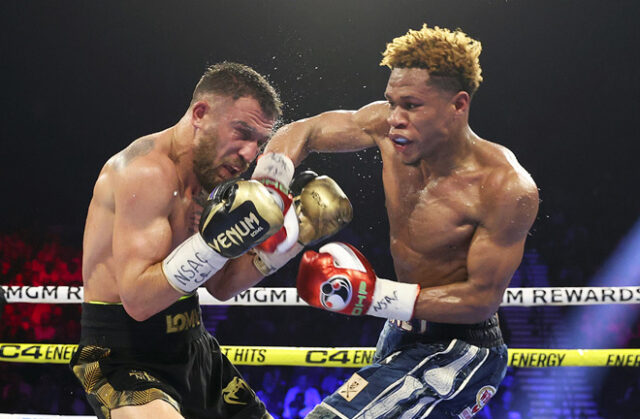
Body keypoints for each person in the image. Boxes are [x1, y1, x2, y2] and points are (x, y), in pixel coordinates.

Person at [262, 24, 539, 418]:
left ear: (459, 105)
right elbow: (304, 131)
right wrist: (268, 187)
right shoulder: (385, 128)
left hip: (461, 351)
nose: (394, 118)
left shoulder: (503, 187)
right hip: (400, 330)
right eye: (391, 102)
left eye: (411, 105)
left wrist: (372, 296)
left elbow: (480, 300)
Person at [70, 61, 352, 419]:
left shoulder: (212, 181)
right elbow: (139, 303)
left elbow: (222, 284)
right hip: (123, 356)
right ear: (200, 113)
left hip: (194, 348)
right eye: (242, 132)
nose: (250, 154)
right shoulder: (145, 173)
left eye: (259, 142)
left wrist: (295, 238)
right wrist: (213, 244)